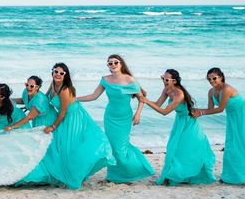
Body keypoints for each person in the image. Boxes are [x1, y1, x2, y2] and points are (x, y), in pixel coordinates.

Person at [14, 63, 114, 189]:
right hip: (62, 116)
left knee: (69, 146)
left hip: (73, 117)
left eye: (61, 73)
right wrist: (31, 106)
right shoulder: (53, 84)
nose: (58, 75)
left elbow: (63, 112)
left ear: (65, 75)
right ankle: (62, 172)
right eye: (56, 71)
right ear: (52, 72)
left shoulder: (64, 90)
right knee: (60, 145)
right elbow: (44, 98)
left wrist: (53, 127)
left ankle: (73, 174)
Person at [77, 54, 154, 183]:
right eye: (110, 63)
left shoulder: (130, 80)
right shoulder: (105, 80)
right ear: (107, 66)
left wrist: (138, 114)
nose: (113, 65)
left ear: (121, 64)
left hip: (124, 118)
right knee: (113, 147)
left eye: (115, 62)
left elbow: (142, 98)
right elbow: (93, 96)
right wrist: (75, 99)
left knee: (121, 149)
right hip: (110, 117)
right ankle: (114, 176)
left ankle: (136, 169)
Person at [140, 70, 215, 185]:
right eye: (162, 78)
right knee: (172, 149)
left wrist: (146, 102)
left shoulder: (180, 94)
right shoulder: (167, 90)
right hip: (180, 121)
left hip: (189, 123)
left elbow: (165, 112)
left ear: (174, 81)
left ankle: (176, 176)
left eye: (166, 79)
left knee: (184, 150)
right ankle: (169, 176)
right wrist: (145, 100)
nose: (163, 81)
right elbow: (158, 104)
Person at [192, 67, 245, 185]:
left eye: (214, 78)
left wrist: (201, 113)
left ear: (221, 77)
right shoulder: (211, 92)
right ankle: (231, 176)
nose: (211, 81)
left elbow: (220, 109)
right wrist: (196, 110)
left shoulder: (226, 89)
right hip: (232, 116)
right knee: (233, 144)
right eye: (209, 79)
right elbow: (210, 109)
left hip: (244, 114)